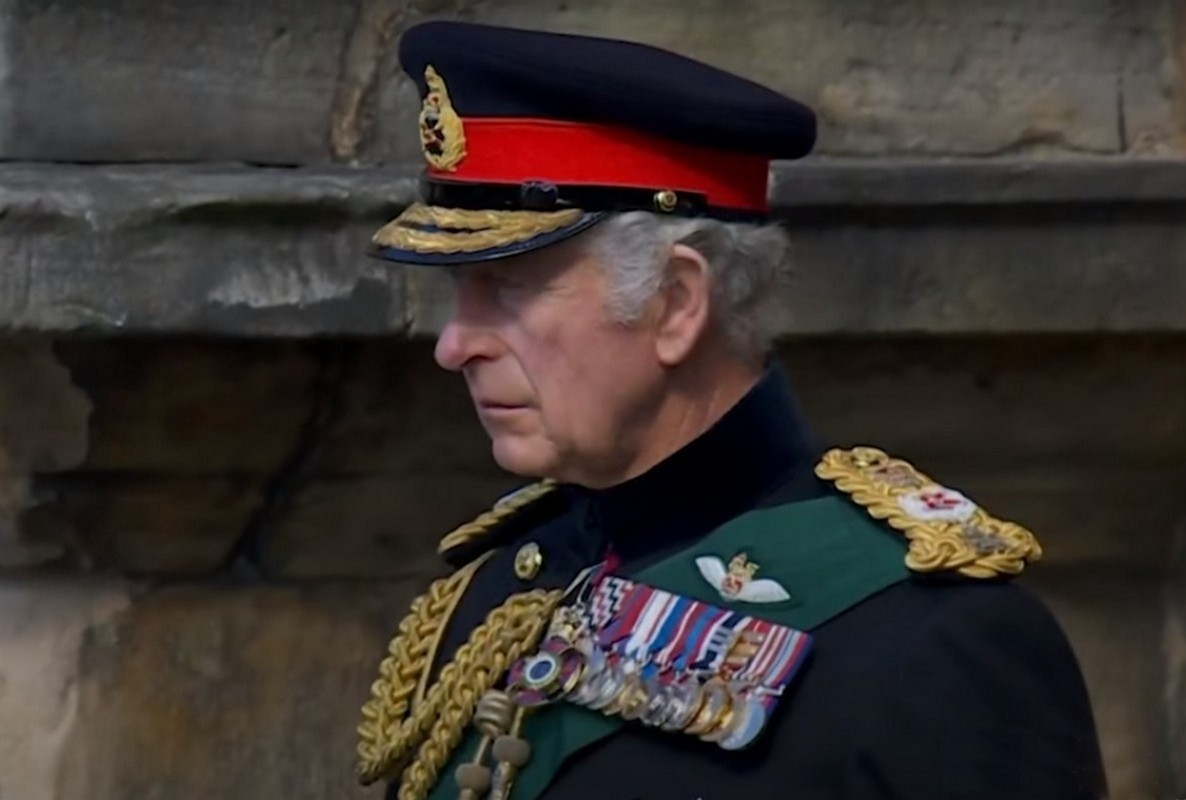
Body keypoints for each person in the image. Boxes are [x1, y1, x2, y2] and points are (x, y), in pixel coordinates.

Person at [356, 20, 1107, 800]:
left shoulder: (930, 642)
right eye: (459, 293)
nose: (455, 345)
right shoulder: (498, 600)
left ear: (677, 303)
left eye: (510, 287)